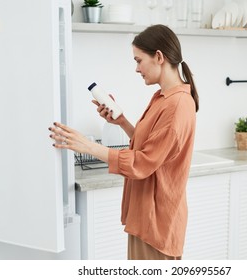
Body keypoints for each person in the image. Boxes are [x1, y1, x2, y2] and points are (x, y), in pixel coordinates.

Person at [49, 24, 199, 260]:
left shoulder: (177, 104)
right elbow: (151, 146)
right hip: (147, 219)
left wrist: (87, 146)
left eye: (139, 60)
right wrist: (122, 122)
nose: (137, 68)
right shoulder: (162, 97)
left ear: (158, 57)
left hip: (156, 222)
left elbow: (143, 162)